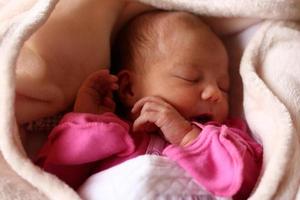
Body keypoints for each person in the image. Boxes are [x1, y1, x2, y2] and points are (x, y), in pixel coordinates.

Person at [36, 11, 262, 199]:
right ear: (129, 89)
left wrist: (187, 137)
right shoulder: (113, 137)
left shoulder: (227, 138)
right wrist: (87, 120)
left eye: (224, 86)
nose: (214, 93)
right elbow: (54, 177)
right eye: (190, 78)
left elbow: (246, 180)